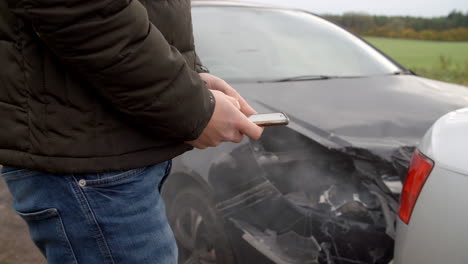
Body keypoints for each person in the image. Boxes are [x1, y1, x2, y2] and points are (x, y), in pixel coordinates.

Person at [0, 0, 263, 263]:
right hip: (92, 165)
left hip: (109, 155)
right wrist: (194, 109)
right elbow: (82, 10)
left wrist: (192, 75)